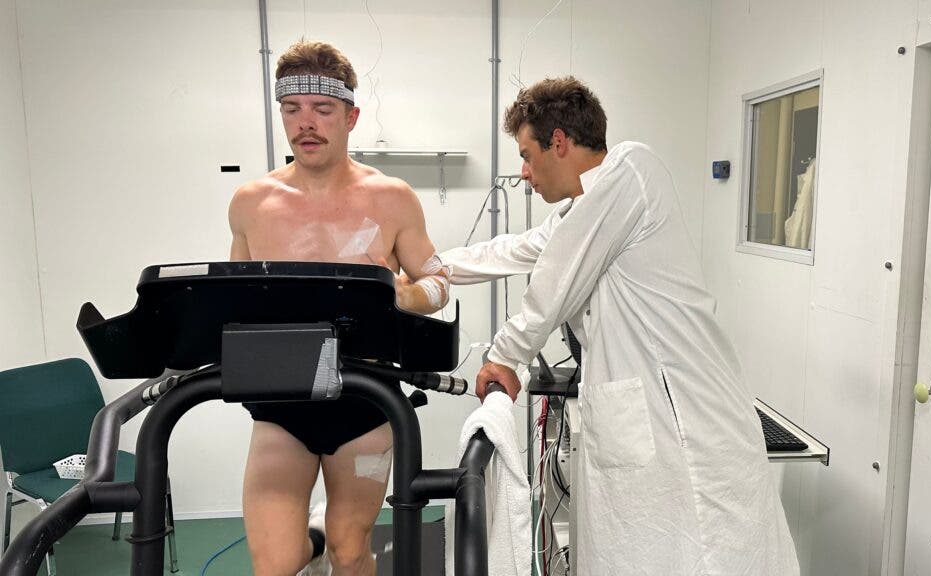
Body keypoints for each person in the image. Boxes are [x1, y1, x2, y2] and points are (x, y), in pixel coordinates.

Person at [441, 77, 800, 575]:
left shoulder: (632, 170)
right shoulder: (580, 210)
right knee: (639, 553)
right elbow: (514, 249)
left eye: (527, 155)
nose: (524, 173)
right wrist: (430, 266)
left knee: (710, 554)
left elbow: (552, 281)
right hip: (641, 423)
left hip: (689, 419)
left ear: (559, 142)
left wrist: (506, 354)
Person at [228, 40, 449, 576]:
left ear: (350, 116)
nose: (306, 123)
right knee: (275, 564)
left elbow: (438, 281)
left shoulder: (392, 196)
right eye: (292, 109)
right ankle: (313, 537)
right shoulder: (251, 203)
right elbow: (234, 300)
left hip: (365, 401)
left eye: (322, 110)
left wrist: (400, 295)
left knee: (351, 552)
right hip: (282, 402)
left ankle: (334, 539)